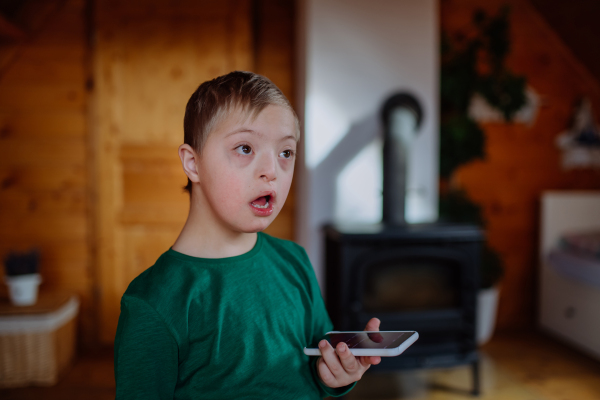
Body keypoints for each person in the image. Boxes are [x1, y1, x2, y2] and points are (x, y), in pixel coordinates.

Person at [113, 71, 381, 399]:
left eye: (286, 153)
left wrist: (336, 374)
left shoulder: (294, 261)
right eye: (245, 148)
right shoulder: (153, 302)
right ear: (193, 164)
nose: (272, 171)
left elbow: (318, 362)